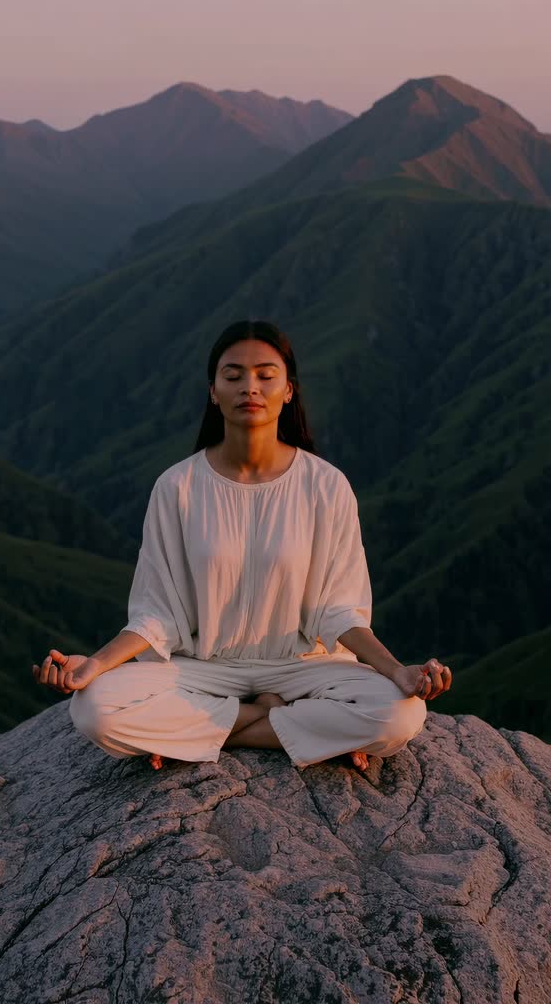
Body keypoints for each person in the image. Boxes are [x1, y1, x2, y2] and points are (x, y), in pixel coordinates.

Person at [32, 320, 452, 773]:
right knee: (94, 708)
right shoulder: (178, 487)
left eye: (265, 375)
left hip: (303, 667)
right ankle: (284, 723)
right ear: (213, 392)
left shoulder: (325, 486)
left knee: (401, 713)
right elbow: (158, 613)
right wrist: (93, 666)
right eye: (233, 376)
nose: (249, 387)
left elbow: (340, 611)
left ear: (288, 390)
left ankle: (197, 734)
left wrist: (397, 672)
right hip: (204, 668)